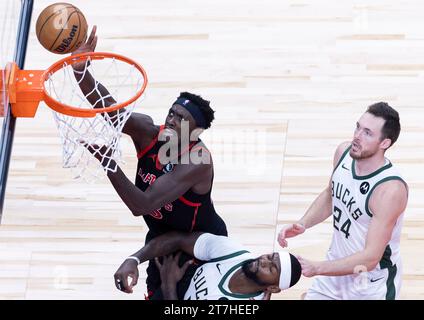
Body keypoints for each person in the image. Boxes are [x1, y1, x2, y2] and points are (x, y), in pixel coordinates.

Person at [73, 26, 228, 299]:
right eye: (171, 112)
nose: (171, 120)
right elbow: (108, 108)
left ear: (195, 132)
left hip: (199, 242)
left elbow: (141, 205)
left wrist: (109, 163)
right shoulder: (147, 132)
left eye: (181, 119)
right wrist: (81, 71)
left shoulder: (197, 161)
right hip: (159, 239)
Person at [278, 102, 408, 300]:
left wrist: (318, 267)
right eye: (358, 127)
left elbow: (371, 257)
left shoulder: (389, 190)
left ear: (385, 143)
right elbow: (332, 194)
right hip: (335, 269)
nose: (357, 136)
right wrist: (304, 223)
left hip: (370, 284)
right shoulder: (343, 153)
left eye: (367, 133)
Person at [114, 231, 302, 300]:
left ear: (273, 288)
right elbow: (181, 239)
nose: (264, 261)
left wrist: (169, 285)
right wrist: (134, 259)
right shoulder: (234, 252)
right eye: (270, 256)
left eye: (271, 268)